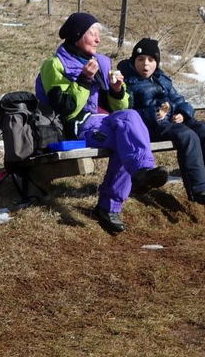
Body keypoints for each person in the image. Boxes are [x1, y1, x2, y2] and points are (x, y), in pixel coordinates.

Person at [35, 13, 169, 234]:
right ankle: (113, 203)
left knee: (128, 128)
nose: (98, 39)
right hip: (78, 127)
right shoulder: (54, 65)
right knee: (128, 132)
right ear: (77, 36)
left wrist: (118, 91)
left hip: (105, 124)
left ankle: (124, 191)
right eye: (92, 34)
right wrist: (85, 79)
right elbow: (65, 108)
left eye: (98, 34)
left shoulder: (103, 63)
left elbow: (121, 108)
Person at [118, 37, 205, 206]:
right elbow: (127, 112)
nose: (145, 64)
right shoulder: (128, 81)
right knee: (188, 136)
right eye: (140, 59)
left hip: (174, 121)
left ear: (156, 62)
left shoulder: (161, 78)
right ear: (133, 60)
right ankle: (199, 190)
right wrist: (155, 113)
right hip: (151, 127)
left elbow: (179, 100)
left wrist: (183, 113)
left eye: (151, 60)